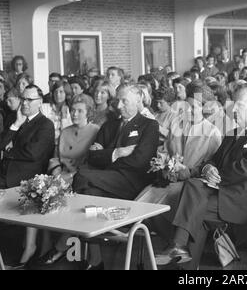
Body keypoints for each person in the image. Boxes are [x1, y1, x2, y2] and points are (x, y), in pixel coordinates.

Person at [156, 86, 247, 269]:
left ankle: (179, 249)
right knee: (193, 197)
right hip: (225, 192)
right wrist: (208, 169)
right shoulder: (233, 133)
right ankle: (180, 251)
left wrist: (217, 175)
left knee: (192, 209)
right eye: (233, 105)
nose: (234, 109)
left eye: (240, 105)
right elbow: (213, 160)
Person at [37, 85, 159, 269]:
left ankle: (61, 246)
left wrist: (106, 156)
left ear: (138, 101)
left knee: (82, 175)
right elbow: (92, 156)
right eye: (117, 100)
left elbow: (140, 162)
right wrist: (118, 152)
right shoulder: (109, 125)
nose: (119, 105)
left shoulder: (149, 125)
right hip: (102, 181)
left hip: (131, 182)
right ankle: (96, 261)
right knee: (89, 199)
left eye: (124, 101)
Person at [16, 94, 100, 269]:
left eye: (80, 111)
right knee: (36, 195)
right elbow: (54, 158)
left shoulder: (95, 131)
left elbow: (92, 162)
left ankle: (58, 249)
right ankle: (34, 247)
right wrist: (56, 174)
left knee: (55, 198)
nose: (75, 114)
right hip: (60, 175)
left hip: (80, 178)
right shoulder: (65, 131)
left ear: (88, 112)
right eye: (72, 110)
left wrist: (69, 176)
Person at [136, 82, 222, 242]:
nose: (189, 111)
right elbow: (165, 151)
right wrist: (163, 163)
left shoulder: (212, 133)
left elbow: (211, 166)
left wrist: (186, 170)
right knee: (145, 199)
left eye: (194, 107)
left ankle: (174, 242)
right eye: (186, 107)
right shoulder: (178, 126)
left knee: (162, 203)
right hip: (169, 179)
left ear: (204, 108)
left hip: (191, 185)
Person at [0, 85, 55, 189]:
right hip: (4, 171)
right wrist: (16, 124)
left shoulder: (45, 124)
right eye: (23, 99)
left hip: (23, 176)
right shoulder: (14, 118)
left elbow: (32, 153)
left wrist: (6, 153)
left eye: (29, 100)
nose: (24, 103)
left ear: (40, 102)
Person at [41, 81, 73, 146]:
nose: (58, 95)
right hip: (46, 144)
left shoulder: (71, 109)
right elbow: (43, 130)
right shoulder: (44, 107)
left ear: (66, 93)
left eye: (61, 92)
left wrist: (64, 117)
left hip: (64, 145)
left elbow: (67, 133)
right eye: (56, 92)